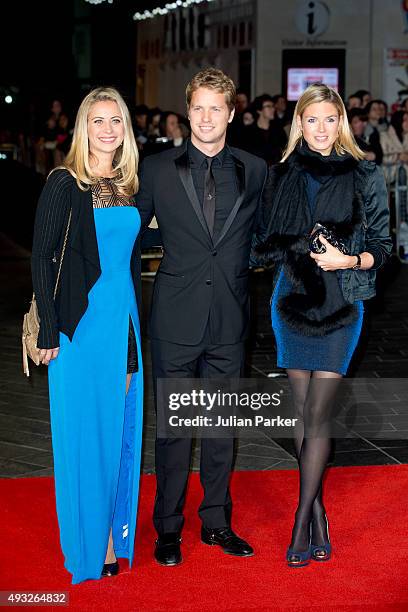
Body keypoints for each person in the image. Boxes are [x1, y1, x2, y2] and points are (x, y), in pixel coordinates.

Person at [254, 83, 392, 567]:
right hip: (291, 302)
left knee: (318, 413)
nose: (319, 129)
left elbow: (384, 246)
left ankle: (300, 519)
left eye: (328, 119)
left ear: (342, 123)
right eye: (310, 120)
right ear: (299, 124)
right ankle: (317, 513)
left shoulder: (365, 174)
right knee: (301, 411)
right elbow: (263, 240)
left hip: (342, 306)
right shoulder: (282, 175)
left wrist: (348, 259)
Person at [136, 67, 267, 566]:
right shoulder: (156, 169)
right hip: (173, 319)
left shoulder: (254, 170)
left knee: (219, 431)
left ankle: (216, 522)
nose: (207, 117)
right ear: (186, 112)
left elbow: (267, 235)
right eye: (199, 108)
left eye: (217, 108)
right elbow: (131, 236)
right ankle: (167, 528)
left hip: (230, 320)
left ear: (230, 114)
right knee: (172, 431)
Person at [31, 87, 143, 584]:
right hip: (79, 328)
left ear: (124, 128)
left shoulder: (128, 183)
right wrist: (50, 330)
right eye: (97, 120)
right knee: (84, 438)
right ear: (83, 127)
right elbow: (42, 256)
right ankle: (91, 544)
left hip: (125, 320)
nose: (106, 129)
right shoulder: (64, 182)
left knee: (119, 432)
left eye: (114, 120)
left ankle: (114, 533)